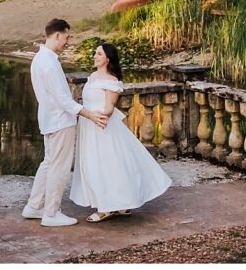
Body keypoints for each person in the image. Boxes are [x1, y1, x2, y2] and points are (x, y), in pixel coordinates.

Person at [70, 42, 172, 222]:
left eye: (99, 54)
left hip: (101, 126)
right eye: (95, 53)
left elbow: (109, 106)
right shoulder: (92, 76)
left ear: (108, 59)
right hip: (88, 126)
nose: (95, 56)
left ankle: (106, 207)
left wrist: (100, 116)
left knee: (104, 166)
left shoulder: (112, 81)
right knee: (93, 165)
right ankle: (120, 203)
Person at [22, 18, 109, 227]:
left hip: (48, 118)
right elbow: (64, 100)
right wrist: (89, 115)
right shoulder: (50, 63)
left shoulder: (39, 59)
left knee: (49, 163)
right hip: (60, 121)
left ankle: (34, 207)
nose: (68, 41)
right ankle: (51, 213)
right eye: (67, 37)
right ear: (57, 35)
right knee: (59, 168)